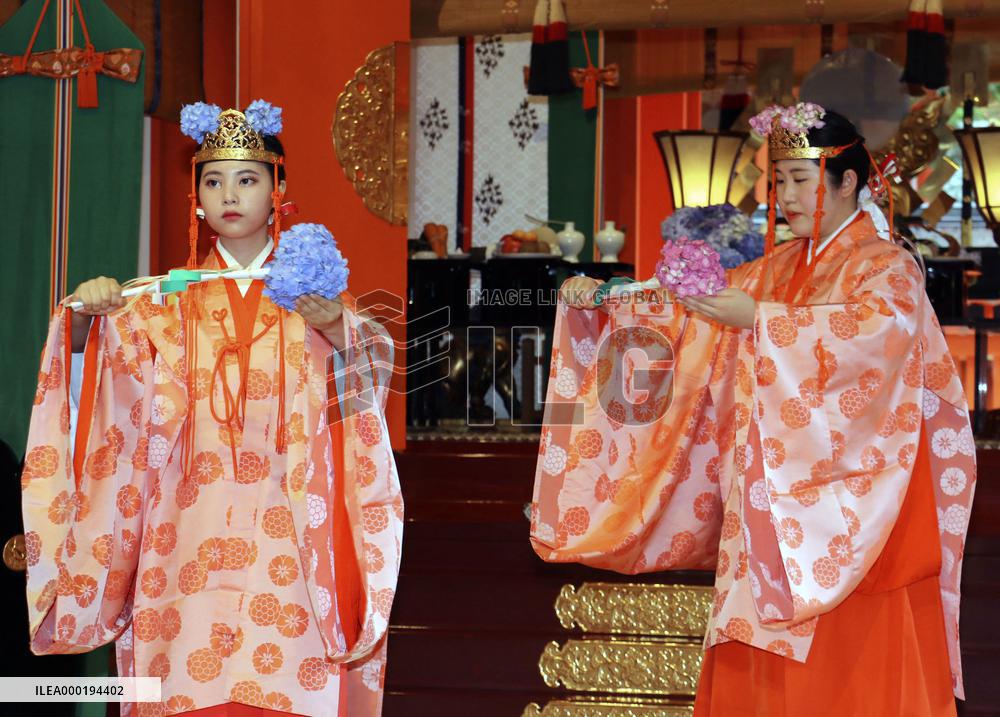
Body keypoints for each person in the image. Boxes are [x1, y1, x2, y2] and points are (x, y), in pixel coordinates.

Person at [532, 103, 975, 715]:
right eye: (779, 180)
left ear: (848, 181)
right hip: (770, 510)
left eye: (800, 178)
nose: (785, 195)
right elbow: (685, 305)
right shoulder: (780, 266)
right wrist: (606, 300)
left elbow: (876, 337)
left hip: (860, 509)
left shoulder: (888, 266)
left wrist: (764, 322)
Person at [21, 101, 402, 717]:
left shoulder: (316, 301)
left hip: (289, 530)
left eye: (247, 179)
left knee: (280, 688)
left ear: (279, 188)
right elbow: (103, 388)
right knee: (184, 690)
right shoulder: (159, 303)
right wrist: (82, 323)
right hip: (183, 534)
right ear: (196, 196)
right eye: (213, 179)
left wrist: (339, 330)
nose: (229, 194)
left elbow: (366, 386)